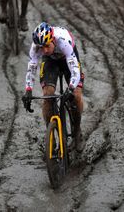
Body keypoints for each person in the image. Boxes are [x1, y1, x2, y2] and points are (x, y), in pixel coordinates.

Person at [22, 22, 85, 151]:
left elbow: (74, 69)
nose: (44, 50)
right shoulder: (36, 47)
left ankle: (77, 132)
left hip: (67, 58)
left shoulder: (63, 41)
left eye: (47, 46)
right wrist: (28, 90)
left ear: (53, 40)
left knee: (76, 95)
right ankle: (51, 137)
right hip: (50, 61)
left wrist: (71, 87)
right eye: (41, 47)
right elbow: (32, 67)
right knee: (48, 95)